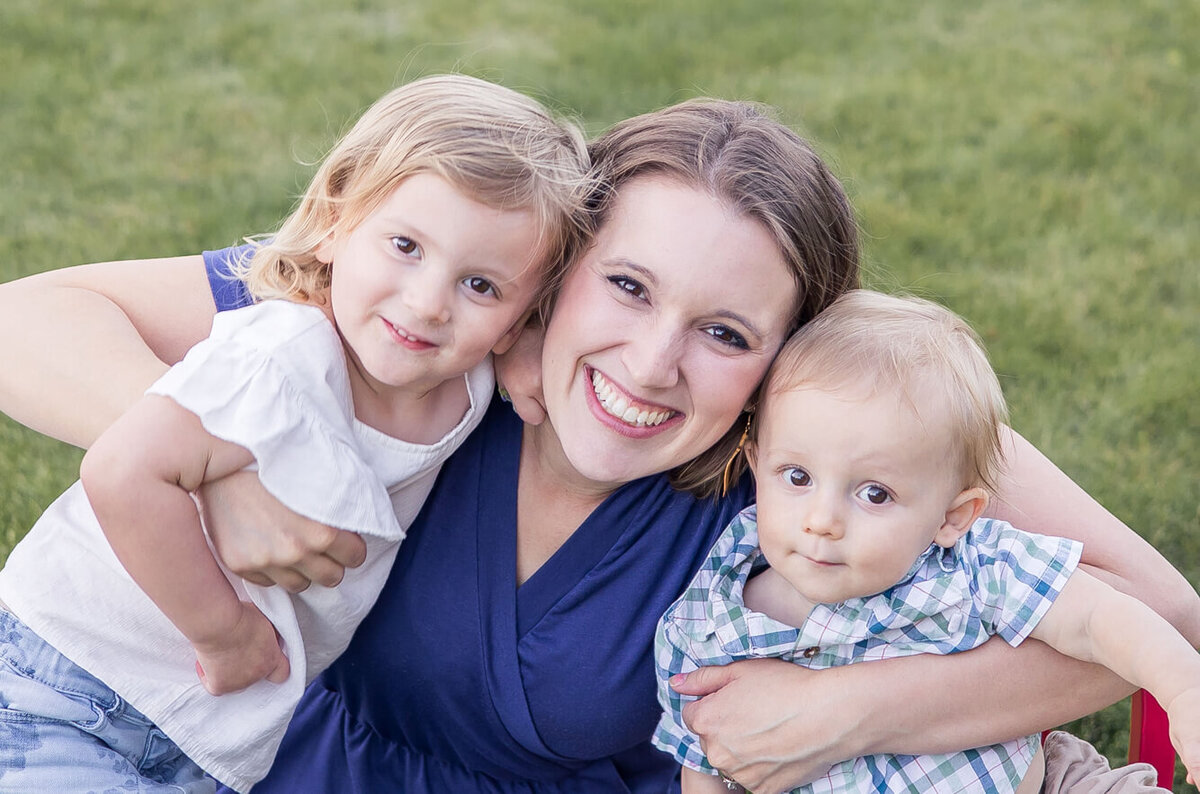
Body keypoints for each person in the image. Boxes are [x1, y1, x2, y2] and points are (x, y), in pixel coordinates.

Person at [0, 95, 1196, 794]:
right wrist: (231, 463)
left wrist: (862, 709)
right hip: (233, 756)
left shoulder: (800, 449)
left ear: (786, 356)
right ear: (554, 267)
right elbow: (27, 317)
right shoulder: (427, 329)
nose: (650, 362)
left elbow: (1157, 611)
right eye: (626, 285)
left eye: (725, 330)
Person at [0, 74, 590, 792]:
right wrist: (223, 632)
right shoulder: (282, 354)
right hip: (66, 684)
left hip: (202, 734)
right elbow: (124, 471)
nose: (427, 302)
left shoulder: (467, 383)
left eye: (481, 286)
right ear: (336, 220)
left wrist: (531, 353)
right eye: (405, 245)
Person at [653, 290, 1200, 793]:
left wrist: (1183, 693)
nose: (822, 520)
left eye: (874, 493)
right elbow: (707, 764)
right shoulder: (709, 623)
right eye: (796, 477)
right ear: (756, 467)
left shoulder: (973, 566)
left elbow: (1101, 620)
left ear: (952, 517)